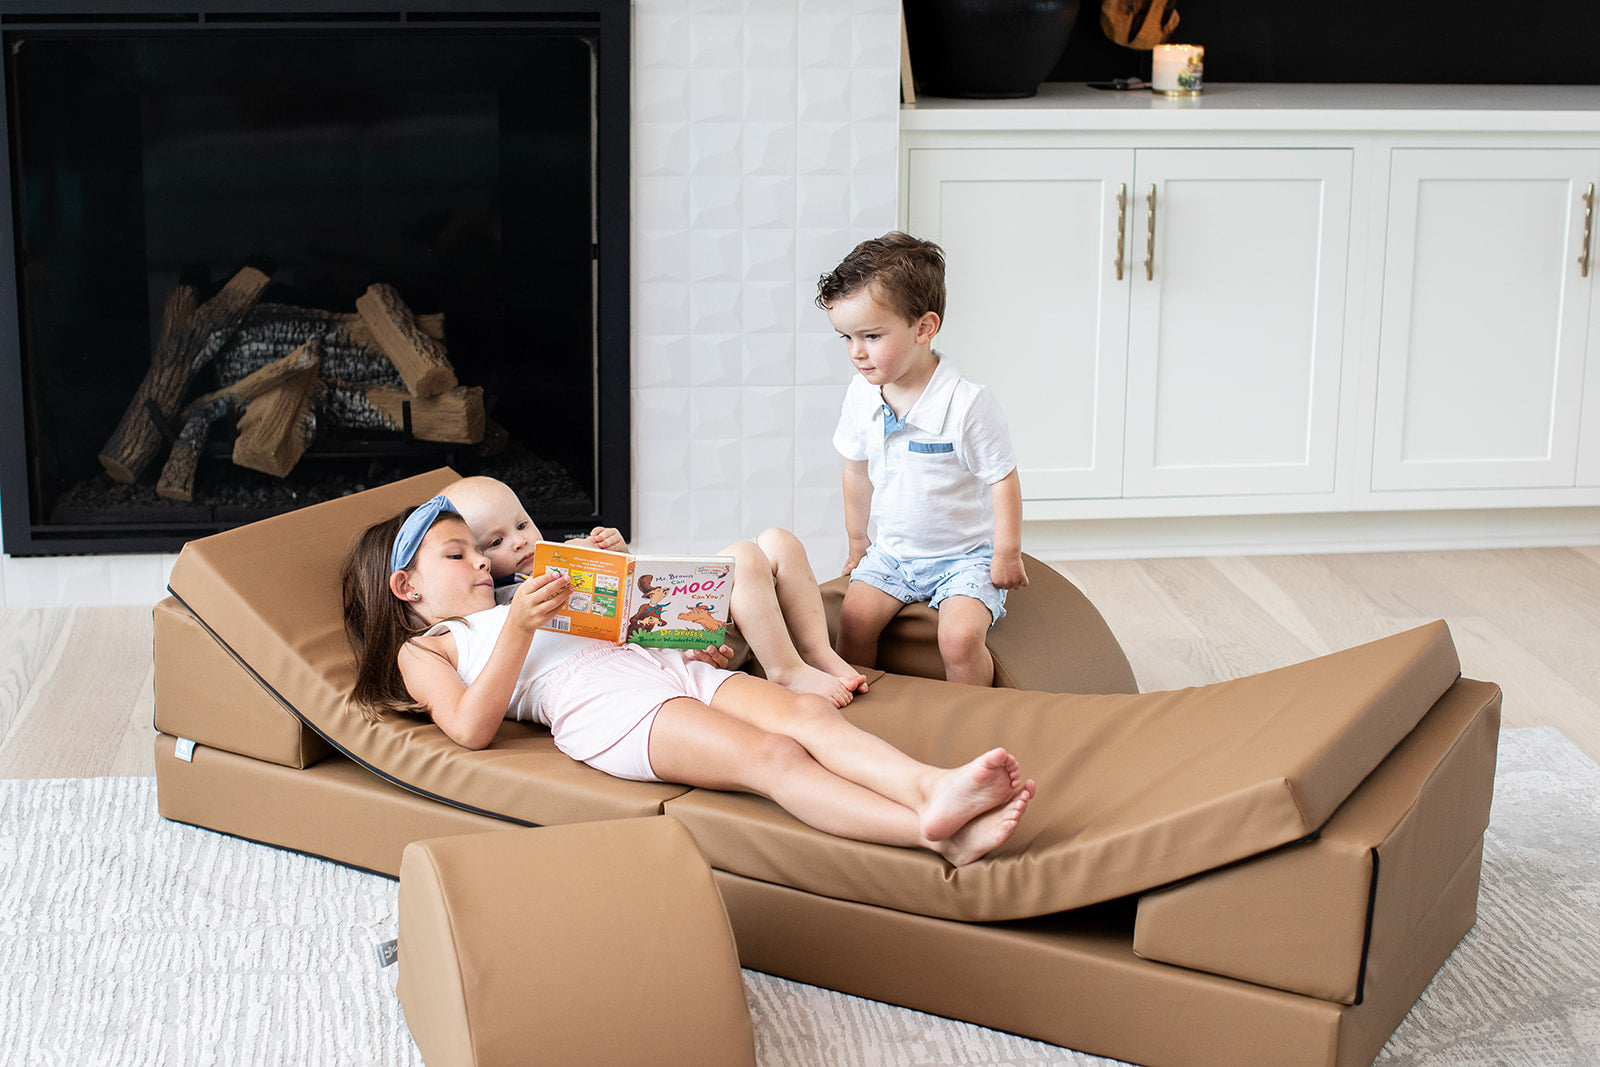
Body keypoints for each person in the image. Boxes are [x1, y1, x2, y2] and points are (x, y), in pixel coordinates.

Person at [340, 496, 1035, 867]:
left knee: (808, 716)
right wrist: (520, 624)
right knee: (774, 757)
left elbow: (624, 619)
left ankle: (931, 786)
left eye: (479, 550)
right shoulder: (430, 646)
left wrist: (608, 574)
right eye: (457, 554)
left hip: (659, 666)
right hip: (606, 709)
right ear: (406, 586)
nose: (481, 564)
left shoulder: (517, 593)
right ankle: (929, 832)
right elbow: (468, 727)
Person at [441, 474, 869, 708]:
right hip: (686, 652)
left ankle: (817, 653)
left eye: (521, 525)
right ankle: (785, 671)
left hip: (701, 623)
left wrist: (621, 556)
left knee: (779, 541)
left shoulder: (570, 551)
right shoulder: (506, 604)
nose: (518, 542)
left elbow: (644, 587)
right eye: (494, 543)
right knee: (743, 555)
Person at [817, 232, 1028, 687]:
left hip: (964, 558)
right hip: (893, 554)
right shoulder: (861, 395)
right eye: (847, 338)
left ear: (924, 328)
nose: (856, 352)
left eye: (871, 336)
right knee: (853, 620)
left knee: (957, 638)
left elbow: (1002, 478)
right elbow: (855, 470)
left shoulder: (966, 403)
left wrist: (1006, 553)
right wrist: (858, 542)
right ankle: (866, 711)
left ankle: (973, 716)